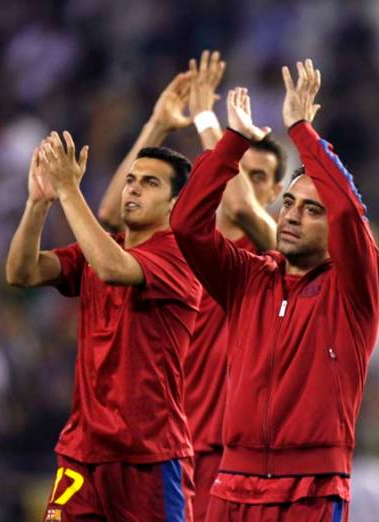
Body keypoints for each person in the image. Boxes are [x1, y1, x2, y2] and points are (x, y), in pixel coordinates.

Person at [170, 59, 379, 521]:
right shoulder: (247, 278)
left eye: (311, 210)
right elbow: (187, 225)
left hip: (311, 488)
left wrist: (301, 130)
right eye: (288, 204)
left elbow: (349, 213)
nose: (290, 216)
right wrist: (233, 142)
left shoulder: (355, 290)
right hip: (231, 483)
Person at [95, 50, 287, 522]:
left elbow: (242, 209)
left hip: (230, 448)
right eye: (239, 168)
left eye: (257, 176)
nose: (243, 180)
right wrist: (157, 126)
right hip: (168, 436)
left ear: (276, 192)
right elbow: (112, 214)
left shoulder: (272, 254)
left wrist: (209, 120)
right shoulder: (184, 246)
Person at [5, 127, 200, 521]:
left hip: (148, 455)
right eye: (130, 180)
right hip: (82, 451)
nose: (133, 189)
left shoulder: (180, 256)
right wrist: (38, 203)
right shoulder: (98, 249)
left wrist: (68, 191)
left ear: (175, 203)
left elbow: (113, 269)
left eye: (149, 183)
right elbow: (21, 273)